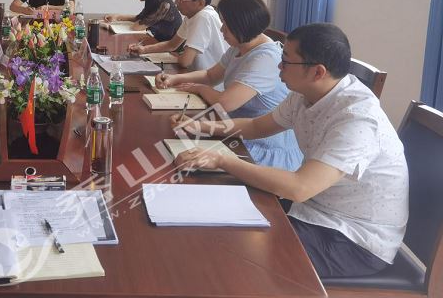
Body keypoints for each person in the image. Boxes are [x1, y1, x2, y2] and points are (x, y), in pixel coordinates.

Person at [172, 23, 408, 278]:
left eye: (286, 61)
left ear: (317, 71)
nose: (278, 67)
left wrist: (222, 160)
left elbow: (299, 187)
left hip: (352, 238)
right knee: (216, 218)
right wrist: (202, 127)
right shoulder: (306, 93)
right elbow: (256, 126)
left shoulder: (357, 119)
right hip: (311, 209)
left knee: (235, 254)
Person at [157, 0, 302, 170]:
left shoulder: (266, 59)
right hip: (234, 131)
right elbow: (210, 75)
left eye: (225, 24)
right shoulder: (240, 47)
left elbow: (225, 103)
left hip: (261, 148)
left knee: (177, 163)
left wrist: (199, 88)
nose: (221, 30)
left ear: (242, 26)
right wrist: (175, 78)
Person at [130, 0, 228, 70]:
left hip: (212, 79)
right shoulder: (191, 16)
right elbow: (172, 44)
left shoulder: (203, 17)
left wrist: (179, 56)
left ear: (200, 3)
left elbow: (185, 61)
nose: (176, 2)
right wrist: (143, 49)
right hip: (199, 74)